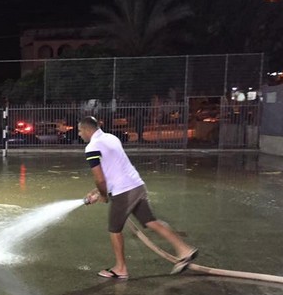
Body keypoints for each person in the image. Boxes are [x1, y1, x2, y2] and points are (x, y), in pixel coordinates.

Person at [78, 116, 197, 279]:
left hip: (123, 192)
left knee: (114, 229)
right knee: (150, 221)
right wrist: (96, 192)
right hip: (136, 185)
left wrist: (103, 196)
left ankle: (120, 268)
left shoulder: (92, 147)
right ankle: (185, 249)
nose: (79, 134)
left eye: (79, 130)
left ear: (86, 129)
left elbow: (100, 179)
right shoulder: (111, 138)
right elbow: (112, 170)